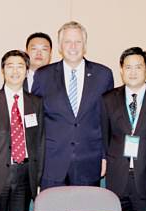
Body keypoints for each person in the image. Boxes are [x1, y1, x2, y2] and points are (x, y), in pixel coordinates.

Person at [32, 21, 114, 189]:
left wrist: (105, 156)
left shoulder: (103, 75)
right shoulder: (43, 75)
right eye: (68, 41)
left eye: (78, 42)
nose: (73, 46)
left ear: (85, 45)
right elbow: (35, 119)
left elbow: (108, 121)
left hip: (89, 161)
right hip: (52, 162)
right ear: (60, 46)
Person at [102, 47, 146, 211]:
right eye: (128, 67)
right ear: (121, 70)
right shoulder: (108, 99)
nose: (133, 72)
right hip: (117, 176)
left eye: (138, 67)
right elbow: (104, 136)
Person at [0, 50, 45, 211]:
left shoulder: (36, 102)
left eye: (20, 67)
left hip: (25, 175)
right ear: (2, 70)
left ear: (27, 71)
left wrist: (38, 178)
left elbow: (39, 143)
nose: (15, 71)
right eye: (10, 67)